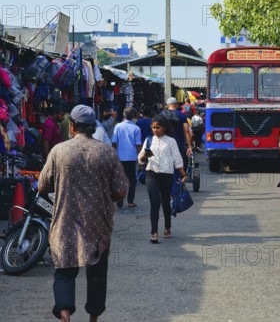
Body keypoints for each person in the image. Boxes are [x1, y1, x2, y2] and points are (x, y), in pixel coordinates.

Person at [38, 105, 128, 322]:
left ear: (72, 127)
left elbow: (42, 186)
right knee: (97, 275)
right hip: (98, 224)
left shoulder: (58, 151)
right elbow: (121, 190)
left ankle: (65, 315)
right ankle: (93, 320)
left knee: (64, 272)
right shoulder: (107, 152)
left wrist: (60, 186)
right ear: (93, 127)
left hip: (64, 222)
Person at [138, 114, 186, 244]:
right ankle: (154, 232)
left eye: (158, 127)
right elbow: (141, 159)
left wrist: (184, 175)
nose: (155, 130)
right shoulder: (148, 140)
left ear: (164, 128)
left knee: (165, 201)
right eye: (153, 127)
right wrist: (143, 157)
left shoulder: (171, 141)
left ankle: (167, 227)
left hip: (166, 175)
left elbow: (177, 159)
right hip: (151, 174)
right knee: (154, 203)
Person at [112, 107, 142, 208]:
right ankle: (130, 201)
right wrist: (141, 156)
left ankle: (120, 200)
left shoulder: (118, 127)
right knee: (132, 180)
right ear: (133, 116)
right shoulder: (136, 128)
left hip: (120, 157)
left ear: (124, 115)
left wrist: (114, 154)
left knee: (121, 179)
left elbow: (114, 142)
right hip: (132, 157)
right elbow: (138, 144)